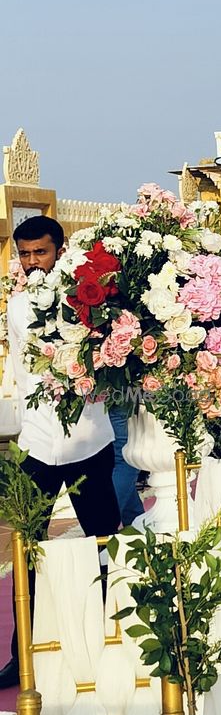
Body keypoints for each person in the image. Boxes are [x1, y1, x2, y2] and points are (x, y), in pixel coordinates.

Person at [1, 215, 121, 687]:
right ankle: (22, 654)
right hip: (37, 445)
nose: (33, 263)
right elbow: (33, 357)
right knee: (26, 553)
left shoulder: (89, 298)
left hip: (89, 441)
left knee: (103, 549)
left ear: (59, 249)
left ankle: (110, 643)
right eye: (25, 254)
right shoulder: (17, 306)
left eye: (41, 253)